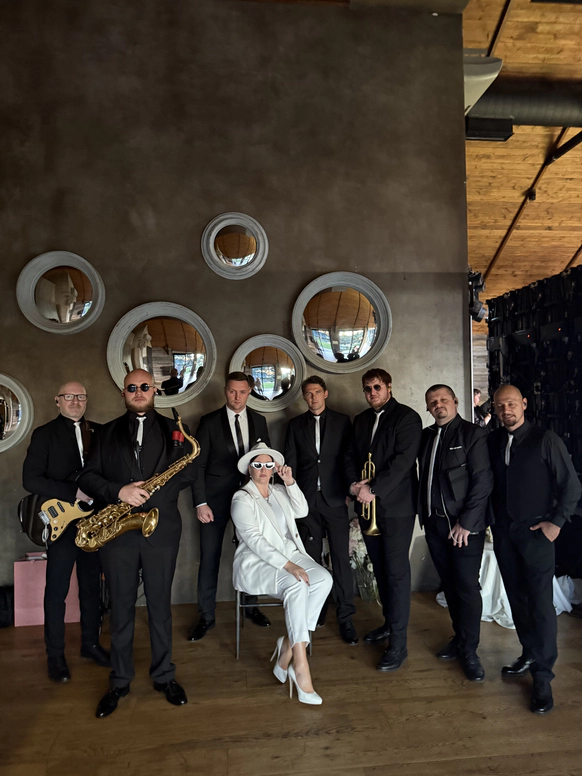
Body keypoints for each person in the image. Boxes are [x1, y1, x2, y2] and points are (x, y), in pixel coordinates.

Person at [79, 369, 195, 717]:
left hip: (162, 530)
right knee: (121, 608)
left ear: (154, 390)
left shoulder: (176, 429)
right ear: (123, 393)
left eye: (145, 386)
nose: (139, 391)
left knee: (160, 608)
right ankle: (119, 680)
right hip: (118, 533)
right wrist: (119, 491)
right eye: (132, 387)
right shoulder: (105, 433)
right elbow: (88, 476)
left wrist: (155, 495)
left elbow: (189, 471)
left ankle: (164, 676)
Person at [488, 384, 581, 714]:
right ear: (495, 409)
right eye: (500, 405)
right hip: (504, 534)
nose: (506, 410)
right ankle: (528, 654)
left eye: (512, 403)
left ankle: (543, 676)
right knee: (517, 597)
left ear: (524, 404)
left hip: (537, 534)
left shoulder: (545, 439)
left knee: (541, 603)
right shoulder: (493, 441)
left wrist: (556, 522)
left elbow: (571, 486)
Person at [231, 443, 333, 705]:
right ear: (250, 469)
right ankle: (300, 666)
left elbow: (302, 511)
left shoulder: (278, 491)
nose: (263, 470)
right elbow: (255, 541)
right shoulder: (242, 498)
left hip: (290, 554)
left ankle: (286, 646)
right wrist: (288, 566)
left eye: (268, 465)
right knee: (297, 584)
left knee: (324, 579)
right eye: (258, 465)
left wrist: (290, 482)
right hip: (256, 561)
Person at [22, 381, 108, 683]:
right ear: (57, 401)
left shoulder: (100, 432)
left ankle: (91, 645)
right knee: (56, 590)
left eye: (81, 396)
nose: (75, 401)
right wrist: (74, 492)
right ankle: (55, 655)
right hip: (62, 525)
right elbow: (31, 479)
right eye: (69, 396)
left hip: (94, 523)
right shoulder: (44, 434)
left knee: (92, 588)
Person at [345, 368, 422, 672]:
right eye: (367, 389)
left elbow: (403, 462)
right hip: (368, 508)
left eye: (377, 387)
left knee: (397, 573)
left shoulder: (407, 417)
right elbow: (350, 456)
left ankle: (399, 645)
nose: (372, 393)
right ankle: (390, 624)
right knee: (380, 570)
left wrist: (373, 489)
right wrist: (354, 485)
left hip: (397, 509)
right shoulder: (361, 420)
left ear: (389, 386)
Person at [188, 372, 271, 641]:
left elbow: (265, 463)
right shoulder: (209, 422)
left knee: (253, 553)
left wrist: (265, 498)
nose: (237, 397)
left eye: (242, 392)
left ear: (249, 392)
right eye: (232, 391)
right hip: (214, 501)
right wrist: (200, 502)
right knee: (209, 557)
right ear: (226, 391)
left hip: (250, 500)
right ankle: (206, 616)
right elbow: (198, 465)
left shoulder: (259, 421)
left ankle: (251, 606)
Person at [418, 384, 493, 681]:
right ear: (428, 407)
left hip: (462, 527)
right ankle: (459, 637)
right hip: (434, 524)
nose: (438, 405)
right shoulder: (426, 436)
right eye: (433, 402)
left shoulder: (473, 434)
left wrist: (467, 523)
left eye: (443, 400)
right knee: (449, 585)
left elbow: (483, 481)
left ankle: (470, 650)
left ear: (455, 402)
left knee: (466, 586)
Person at [284, 375, 356, 644]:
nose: (312, 397)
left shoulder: (342, 421)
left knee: (340, 559)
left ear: (325, 394)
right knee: (310, 560)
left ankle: (346, 617)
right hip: (306, 502)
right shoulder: (294, 425)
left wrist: (348, 491)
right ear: (304, 396)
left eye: (316, 392)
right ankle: (318, 610)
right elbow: (290, 462)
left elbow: (349, 458)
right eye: (308, 393)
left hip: (336, 499)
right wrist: (292, 499)